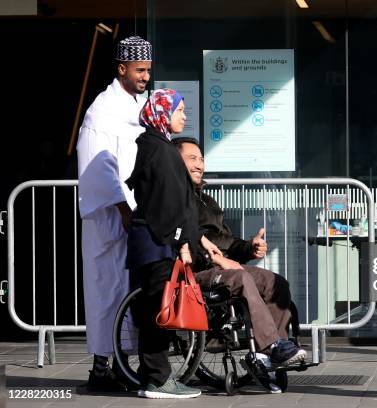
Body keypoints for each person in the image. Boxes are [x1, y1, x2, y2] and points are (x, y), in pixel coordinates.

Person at [172, 137, 307, 371]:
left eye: (202, 159)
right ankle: (272, 346)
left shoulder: (207, 201)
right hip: (195, 272)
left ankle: (276, 351)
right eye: (192, 158)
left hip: (223, 268)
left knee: (275, 283)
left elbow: (226, 241)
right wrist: (213, 257)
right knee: (241, 279)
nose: (199, 165)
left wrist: (248, 247)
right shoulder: (171, 198)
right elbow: (180, 235)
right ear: (175, 162)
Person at [76, 35, 152, 391]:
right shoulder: (102, 109)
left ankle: (121, 365)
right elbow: (98, 163)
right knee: (107, 290)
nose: (145, 76)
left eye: (148, 69)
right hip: (110, 217)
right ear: (121, 68)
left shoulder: (138, 105)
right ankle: (101, 369)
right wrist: (121, 205)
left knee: (128, 292)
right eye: (139, 70)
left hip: (134, 214)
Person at [125, 89, 202, 399]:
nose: (184, 116)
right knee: (159, 311)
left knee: (152, 311)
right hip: (158, 244)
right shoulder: (162, 151)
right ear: (162, 112)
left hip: (151, 243)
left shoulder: (154, 146)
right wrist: (182, 241)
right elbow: (169, 204)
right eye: (179, 110)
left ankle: (152, 377)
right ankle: (158, 380)